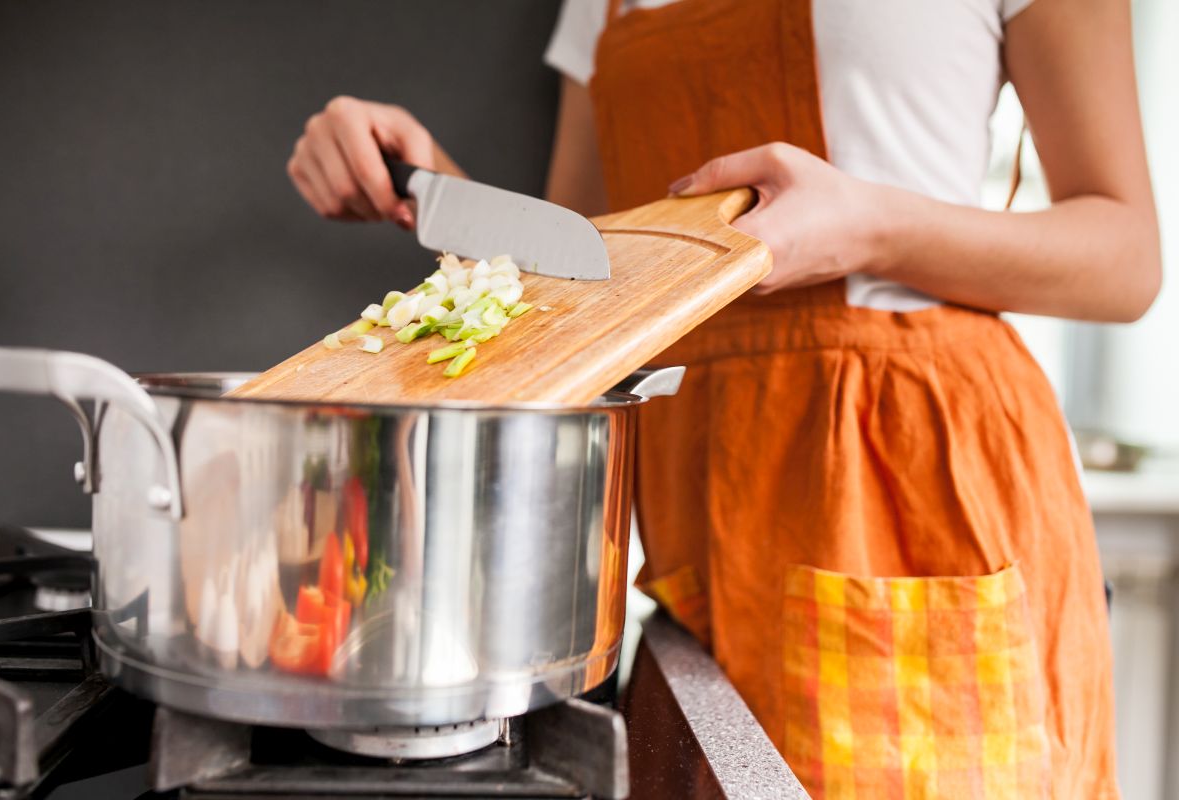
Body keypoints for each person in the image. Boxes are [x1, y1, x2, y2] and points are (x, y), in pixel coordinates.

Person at [286, 0, 1158, 795]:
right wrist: (421, 180)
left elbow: (1126, 258)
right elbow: (582, 274)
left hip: (912, 498)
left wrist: (874, 227)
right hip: (696, 520)